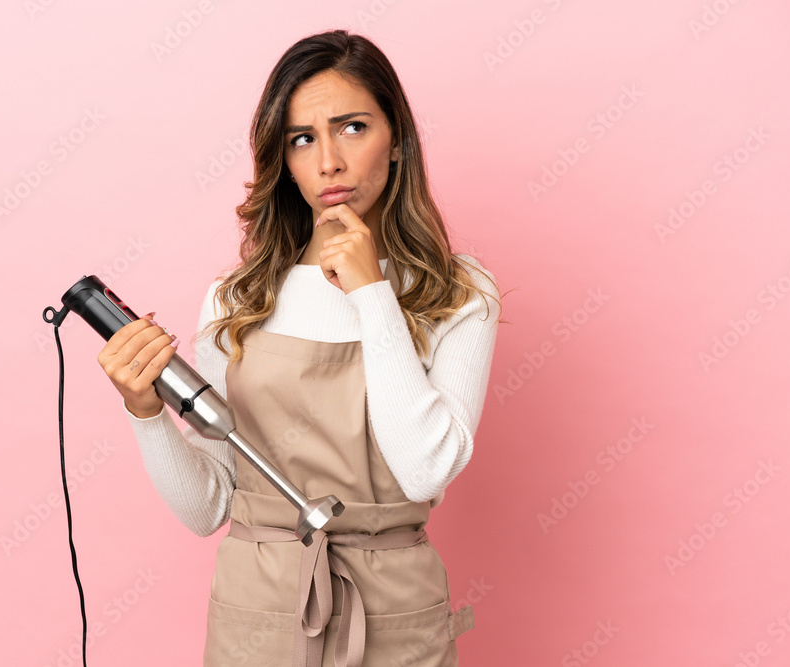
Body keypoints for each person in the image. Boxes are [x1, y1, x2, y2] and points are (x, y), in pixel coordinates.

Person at [97, 29, 503, 667]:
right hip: (258, 612)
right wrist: (144, 412)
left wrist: (373, 294)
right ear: (282, 159)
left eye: (352, 128)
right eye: (303, 139)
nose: (329, 163)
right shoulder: (236, 300)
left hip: (393, 611)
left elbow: (426, 470)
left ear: (396, 139)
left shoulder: (458, 293)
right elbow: (209, 506)